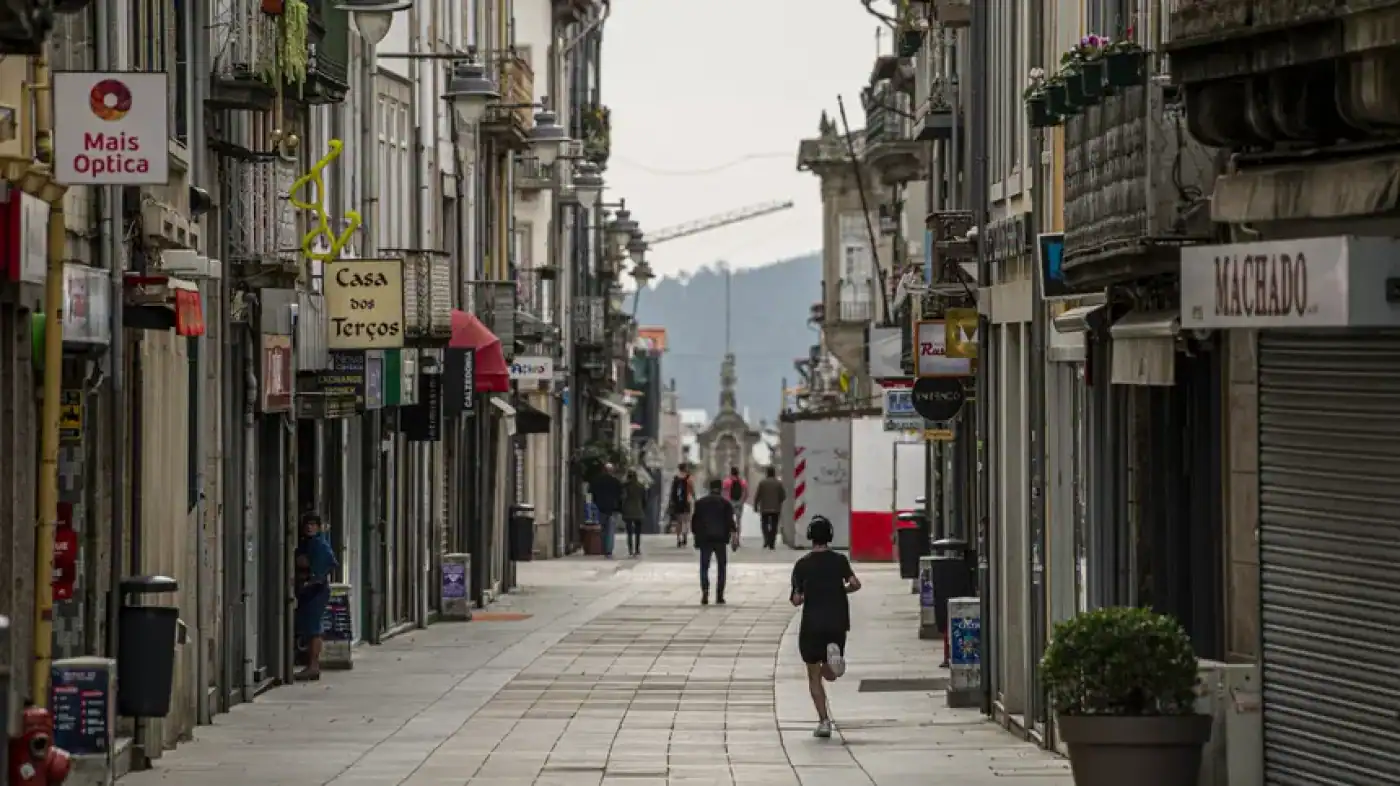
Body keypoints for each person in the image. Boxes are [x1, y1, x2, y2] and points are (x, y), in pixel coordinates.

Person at [790, 514, 861, 738]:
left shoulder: (802, 565)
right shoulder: (840, 560)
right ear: (829, 536)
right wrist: (841, 591)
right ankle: (832, 662)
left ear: (811, 537)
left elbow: (796, 600)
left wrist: (806, 594)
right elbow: (855, 584)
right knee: (830, 674)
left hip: (812, 622)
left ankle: (823, 721)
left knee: (813, 675)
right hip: (837, 621)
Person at [294, 512, 339, 681]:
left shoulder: (320, 544)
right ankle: (311, 665)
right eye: (307, 524)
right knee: (310, 626)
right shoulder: (307, 544)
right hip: (309, 590)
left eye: (313, 524)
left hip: (317, 590)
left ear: (319, 527)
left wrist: (314, 577)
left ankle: (313, 665)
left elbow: (330, 562)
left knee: (314, 628)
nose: (309, 527)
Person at [691, 478, 738, 605]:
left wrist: (696, 537)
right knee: (721, 567)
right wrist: (734, 536)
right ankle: (719, 595)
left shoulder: (700, 503)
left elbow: (694, 523)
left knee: (704, 566)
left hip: (705, 539)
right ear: (721, 488)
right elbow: (730, 522)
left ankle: (705, 591)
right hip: (720, 539)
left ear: (709, 488)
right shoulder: (725, 503)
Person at [591, 463, 624, 559]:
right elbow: (620, 495)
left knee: (601, 529)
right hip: (612, 509)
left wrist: (595, 502)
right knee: (610, 530)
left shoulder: (596, 481)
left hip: (600, 508)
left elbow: (591, 492)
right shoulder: (616, 482)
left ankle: (602, 548)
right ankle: (608, 550)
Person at [753, 467, 787, 550]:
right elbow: (783, 496)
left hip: (764, 508)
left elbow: (758, 495)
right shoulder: (778, 483)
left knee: (764, 524)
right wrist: (778, 501)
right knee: (774, 525)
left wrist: (755, 506)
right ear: (774, 473)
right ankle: (772, 543)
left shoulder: (762, 483)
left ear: (767, 473)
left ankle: (766, 539)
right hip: (775, 508)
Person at [621, 469, 647, 558]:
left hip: (628, 511)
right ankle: (637, 549)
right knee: (638, 532)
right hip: (638, 511)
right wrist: (643, 508)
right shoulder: (641, 486)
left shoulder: (624, 486)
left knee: (629, 532)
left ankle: (630, 549)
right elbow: (644, 500)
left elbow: (622, 498)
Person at [668, 464, 695, 547]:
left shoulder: (675, 478)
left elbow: (672, 492)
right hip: (686, 502)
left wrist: (671, 502)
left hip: (677, 503)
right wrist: (694, 498)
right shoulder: (689, 478)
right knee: (686, 521)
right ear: (685, 468)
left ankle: (678, 538)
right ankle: (685, 537)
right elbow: (692, 490)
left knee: (678, 522)